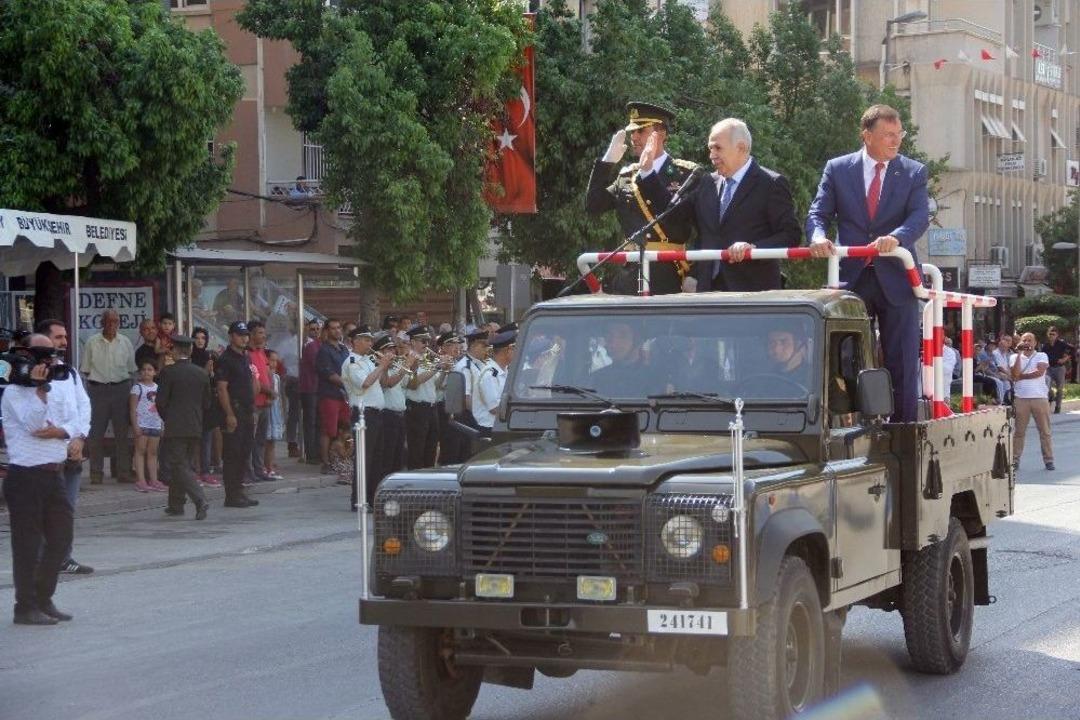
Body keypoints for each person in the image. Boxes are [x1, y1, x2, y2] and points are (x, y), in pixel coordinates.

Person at [807, 104, 929, 422]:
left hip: (897, 279)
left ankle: (902, 433)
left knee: (902, 362)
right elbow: (818, 212)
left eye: (899, 134)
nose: (896, 140)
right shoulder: (838, 169)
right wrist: (818, 237)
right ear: (867, 135)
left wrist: (897, 238)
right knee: (844, 357)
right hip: (851, 278)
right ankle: (851, 428)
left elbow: (919, 217)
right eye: (888, 134)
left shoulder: (914, 172)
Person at [585, 101, 699, 295]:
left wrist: (648, 173)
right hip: (629, 274)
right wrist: (607, 162)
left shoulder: (686, 174)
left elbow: (679, 218)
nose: (634, 137)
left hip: (668, 275)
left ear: (661, 133)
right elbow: (593, 205)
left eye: (641, 131)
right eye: (632, 131)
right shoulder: (627, 176)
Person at [2, 335, 76, 625]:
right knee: (28, 545)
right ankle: (25, 606)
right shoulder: (14, 392)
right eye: (45, 357)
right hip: (26, 476)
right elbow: (34, 425)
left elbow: (73, 419)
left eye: (52, 356)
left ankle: (43, 598)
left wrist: (61, 431)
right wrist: (39, 391)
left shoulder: (56, 386)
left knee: (61, 538)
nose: (50, 363)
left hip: (54, 473)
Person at [691, 118, 801, 292]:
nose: (711, 155)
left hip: (752, 291)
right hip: (707, 290)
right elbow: (704, 234)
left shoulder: (771, 183)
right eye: (710, 149)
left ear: (741, 148)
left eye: (718, 148)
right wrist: (693, 274)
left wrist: (754, 248)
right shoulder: (707, 183)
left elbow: (791, 235)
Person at [35, 319, 94, 575]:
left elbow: (83, 406)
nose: (64, 342)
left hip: (72, 451)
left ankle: (63, 558)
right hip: (44, 452)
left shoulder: (69, 373)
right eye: (58, 337)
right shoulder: (30, 373)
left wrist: (80, 438)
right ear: (44, 340)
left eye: (65, 337)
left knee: (66, 509)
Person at [156, 335, 211, 520]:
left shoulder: (168, 372)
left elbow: (161, 402)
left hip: (176, 425)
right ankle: (176, 504)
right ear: (190, 351)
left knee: (179, 465)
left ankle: (200, 499)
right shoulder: (201, 373)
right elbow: (207, 402)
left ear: (175, 351)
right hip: (195, 424)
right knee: (182, 464)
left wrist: (168, 418)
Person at [81, 309, 136, 485]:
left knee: (122, 433)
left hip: (121, 389)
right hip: (98, 390)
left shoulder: (125, 342)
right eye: (109, 321)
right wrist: (97, 385)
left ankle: (123, 472)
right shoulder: (92, 342)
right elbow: (86, 369)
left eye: (116, 321)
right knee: (96, 433)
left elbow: (131, 369)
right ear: (102, 323)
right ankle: (96, 473)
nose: (112, 325)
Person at [341, 327, 391, 510]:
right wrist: (382, 366)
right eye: (366, 340)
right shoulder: (351, 362)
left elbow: (384, 383)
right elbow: (365, 383)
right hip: (363, 414)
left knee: (377, 458)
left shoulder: (369, 360)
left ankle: (372, 498)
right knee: (364, 458)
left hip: (376, 413)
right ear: (355, 341)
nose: (370, 344)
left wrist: (384, 367)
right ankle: (358, 500)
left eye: (371, 340)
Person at [215, 322, 260, 508]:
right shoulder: (225, 359)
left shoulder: (245, 357)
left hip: (247, 410)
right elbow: (222, 388)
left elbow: (250, 384)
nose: (244, 338)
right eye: (240, 335)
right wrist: (229, 414)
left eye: (246, 335)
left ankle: (239, 491)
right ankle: (231, 495)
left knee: (244, 452)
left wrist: (253, 408)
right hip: (234, 410)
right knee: (232, 453)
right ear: (231, 336)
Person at [1010, 332, 1055, 471]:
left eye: (1030, 340)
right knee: (1019, 432)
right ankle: (1015, 460)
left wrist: (1021, 376)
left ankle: (1049, 460)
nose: (1027, 343)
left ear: (1035, 343)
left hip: (1039, 398)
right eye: (1024, 340)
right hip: (1021, 399)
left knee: (1045, 431)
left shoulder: (1041, 355)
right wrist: (1019, 354)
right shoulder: (1014, 357)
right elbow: (1014, 373)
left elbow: (1039, 372)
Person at [315, 319, 351, 474]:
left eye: (338, 328)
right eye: (333, 328)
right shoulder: (324, 350)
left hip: (345, 396)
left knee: (346, 427)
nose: (337, 331)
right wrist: (348, 384)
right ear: (327, 331)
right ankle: (326, 463)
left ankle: (342, 459)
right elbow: (329, 374)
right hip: (330, 394)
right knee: (328, 430)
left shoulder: (344, 349)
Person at [404, 325, 441, 469]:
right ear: (413, 342)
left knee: (431, 450)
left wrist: (444, 371)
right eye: (423, 341)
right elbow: (414, 383)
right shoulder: (408, 359)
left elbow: (436, 384)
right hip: (417, 408)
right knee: (417, 450)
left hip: (432, 408)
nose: (427, 344)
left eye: (428, 341)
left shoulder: (427, 360)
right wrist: (437, 367)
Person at [246, 320, 276, 483]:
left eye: (264, 333)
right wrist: (269, 391)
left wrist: (270, 394)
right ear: (251, 335)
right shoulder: (247, 354)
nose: (263, 336)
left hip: (265, 402)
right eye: (260, 333)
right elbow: (254, 379)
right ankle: (249, 471)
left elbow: (267, 374)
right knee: (250, 439)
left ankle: (259, 469)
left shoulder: (262, 352)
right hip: (254, 403)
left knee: (260, 440)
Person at [130, 361, 166, 493]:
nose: (146, 372)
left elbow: (161, 408)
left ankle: (154, 480)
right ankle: (141, 480)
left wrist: (162, 424)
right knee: (140, 451)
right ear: (140, 372)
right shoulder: (137, 388)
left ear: (155, 372)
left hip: (155, 423)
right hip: (142, 424)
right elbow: (132, 409)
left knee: (153, 452)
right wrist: (135, 425)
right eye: (144, 369)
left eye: (150, 369)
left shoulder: (159, 388)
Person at [380, 332, 413, 476]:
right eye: (389, 349)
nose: (393, 352)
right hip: (388, 415)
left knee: (399, 456)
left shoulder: (395, 366)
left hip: (400, 414)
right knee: (388, 455)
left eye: (393, 349)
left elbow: (409, 384)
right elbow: (388, 383)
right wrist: (406, 365)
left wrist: (413, 366)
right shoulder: (380, 367)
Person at [269, 320, 301, 457]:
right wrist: (283, 375)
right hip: (293, 380)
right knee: (294, 413)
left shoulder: (311, 342)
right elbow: (278, 361)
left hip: (310, 381)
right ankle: (292, 442)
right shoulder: (286, 343)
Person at [474, 330, 516, 437]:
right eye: (515, 348)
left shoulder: (505, 371)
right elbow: (494, 408)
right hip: (490, 429)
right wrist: (519, 411)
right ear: (507, 350)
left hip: (502, 426)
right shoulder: (489, 375)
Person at [590, 321, 644, 396]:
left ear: (636, 340)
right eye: (609, 336)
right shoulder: (596, 378)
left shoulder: (653, 378)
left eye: (623, 336)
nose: (614, 343)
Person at [434, 331, 465, 465]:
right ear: (443, 347)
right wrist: (444, 370)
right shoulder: (437, 362)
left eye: (458, 344)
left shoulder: (460, 363)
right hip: (443, 407)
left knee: (458, 444)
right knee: (448, 445)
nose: (457, 348)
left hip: (458, 407)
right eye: (452, 345)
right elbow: (437, 385)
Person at [299, 322, 323, 464]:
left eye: (318, 329)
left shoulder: (319, 345)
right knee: (311, 422)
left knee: (318, 422)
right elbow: (318, 366)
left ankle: (317, 451)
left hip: (319, 388)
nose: (316, 331)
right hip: (310, 388)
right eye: (313, 329)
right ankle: (311, 454)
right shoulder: (311, 346)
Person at [1041, 326, 1074, 414]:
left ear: (1057, 335)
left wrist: (1065, 358)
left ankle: (1058, 406)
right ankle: (1050, 399)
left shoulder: (1062, 344)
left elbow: (1073, 349)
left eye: (1053, 334)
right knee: (1046, 387)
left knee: (1059, 388)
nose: (1051, 336)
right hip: (1049, 368)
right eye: (1050, 334)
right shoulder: (1045, 345)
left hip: (1059, 368)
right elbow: (1042, 356)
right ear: (1048, 334)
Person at [264, 349, 285, 480]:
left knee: (272, 441)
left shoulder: (276, 377)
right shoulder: (266, 375)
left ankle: (270, 466)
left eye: (276, 361)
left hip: (275, 410)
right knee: (266, 441)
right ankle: (265, 466)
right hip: (268, 408)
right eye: (271, 360)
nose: (274, 363)